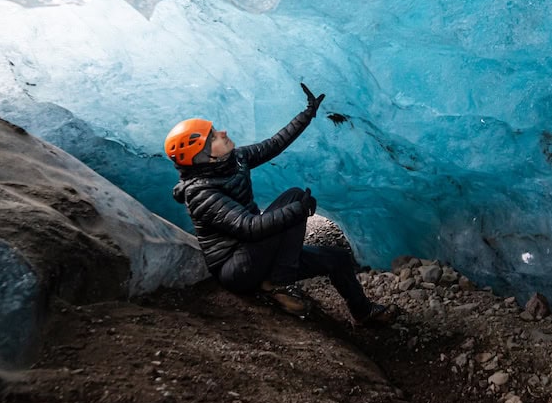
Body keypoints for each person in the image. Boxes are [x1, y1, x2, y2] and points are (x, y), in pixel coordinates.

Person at [165, 82, 396, 326]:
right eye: (213, 137)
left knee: (337, 258)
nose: (222, 133)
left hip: (261, 255)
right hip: (237, 269)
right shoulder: (200, 194)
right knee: (295, 200)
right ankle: (281, 283)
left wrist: (307, 115)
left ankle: (364, 313)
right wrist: (297, 211)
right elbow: (248, 227)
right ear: (204, 157)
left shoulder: (235, 159)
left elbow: (274, 144)